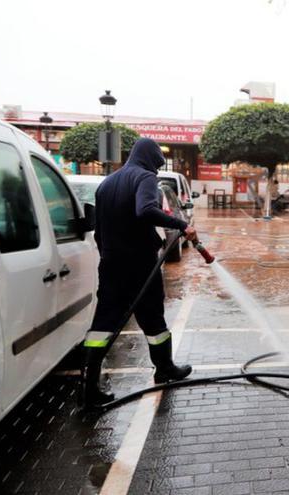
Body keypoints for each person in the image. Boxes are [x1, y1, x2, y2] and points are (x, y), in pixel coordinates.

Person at [82, 138, 198, 407]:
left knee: (103, 324)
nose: (156, 172)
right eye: (156, 166)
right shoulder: (145, 178)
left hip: (111, 264)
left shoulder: (106, 184)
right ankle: (166, 368)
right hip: (140, 264)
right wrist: (181, 225)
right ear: (149, 160)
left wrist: (108, 255)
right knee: (153, 319)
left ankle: (88, 386)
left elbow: (99, 230)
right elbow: (145, 210)